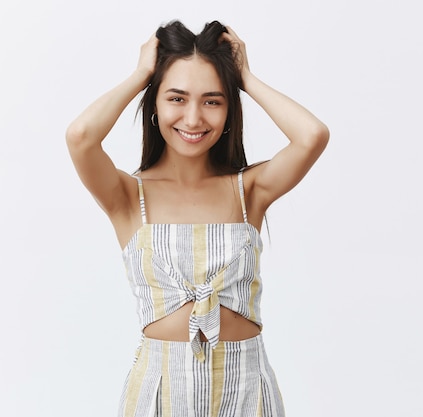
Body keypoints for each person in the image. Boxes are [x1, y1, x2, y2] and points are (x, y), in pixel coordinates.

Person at [66, 20, 329, 417]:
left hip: (245, 387)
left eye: (212, 100)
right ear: (154, 103)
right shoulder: (127, 196)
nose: (193, 119)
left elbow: (312, 135)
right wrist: (141, 74)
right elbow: (81, 136)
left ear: (229, 109)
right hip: (159, 391)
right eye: (176, 98)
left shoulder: (249, 191)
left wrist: (246, 77)